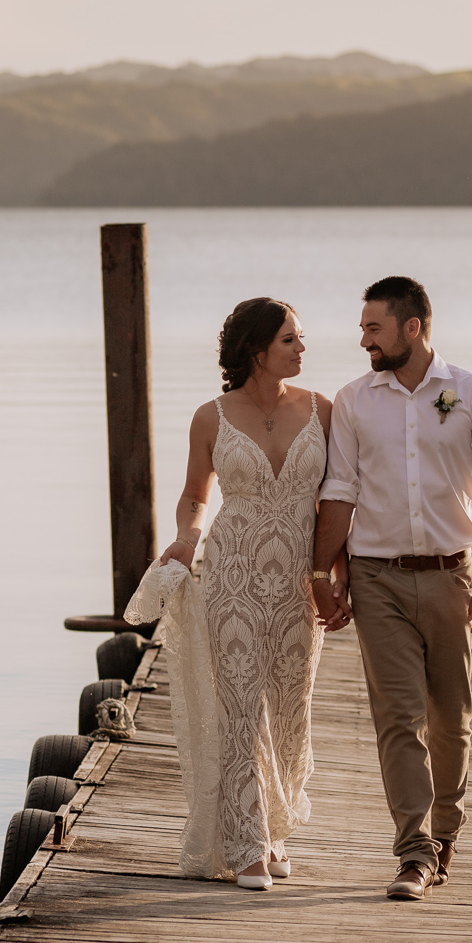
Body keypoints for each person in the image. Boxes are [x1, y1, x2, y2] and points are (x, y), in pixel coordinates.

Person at [312, 276, 472, 900]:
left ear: (413, 328)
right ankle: (414, 852)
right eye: (362, 328)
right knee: (397, 718)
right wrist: (324, 573)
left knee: (450, 719)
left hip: (450, 574)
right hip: (376, 578)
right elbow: (340, 491)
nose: (364, 339)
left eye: (373, 328)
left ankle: (447, 833)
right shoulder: (352, 401)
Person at [146, 297, 333, 890]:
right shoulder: (211, 417)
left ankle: (274, 830)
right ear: (257, 350)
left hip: (298, 578)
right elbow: (196, 493)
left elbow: (339, 498)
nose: (302, 348)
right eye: (290, 340)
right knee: (239, 704)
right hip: (232, 571)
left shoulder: (324, 410)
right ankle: (246, 844)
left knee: (289, 707)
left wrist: (335, 572)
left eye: (300, 338)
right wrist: (186, 536)